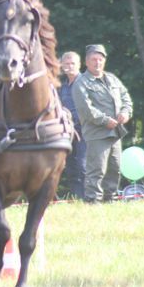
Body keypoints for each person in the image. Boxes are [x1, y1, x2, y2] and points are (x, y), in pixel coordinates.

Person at [71, 44, 133, 203]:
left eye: (100, 59)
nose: (97, 62)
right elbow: (86, 109)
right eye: (94, 59)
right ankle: (93, 201)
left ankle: (110, 200)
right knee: (96, 170)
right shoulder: (81, 82)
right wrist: (105, 120)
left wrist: (126, 112)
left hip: (116, 133)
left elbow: (126, 98)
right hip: (97, 133)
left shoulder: (111, 79)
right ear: (86, 61)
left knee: (115, 169)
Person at [59, 51, 86, 199]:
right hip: (67, 132)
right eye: (66, 64)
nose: (69, 66)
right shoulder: (62, 87)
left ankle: (90, 197)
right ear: (62, 66)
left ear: (79, 65)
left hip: (84, 130)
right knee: (70, 168)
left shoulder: (86, 83)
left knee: (83, 166)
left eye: (72, 63)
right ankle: (78, 198)